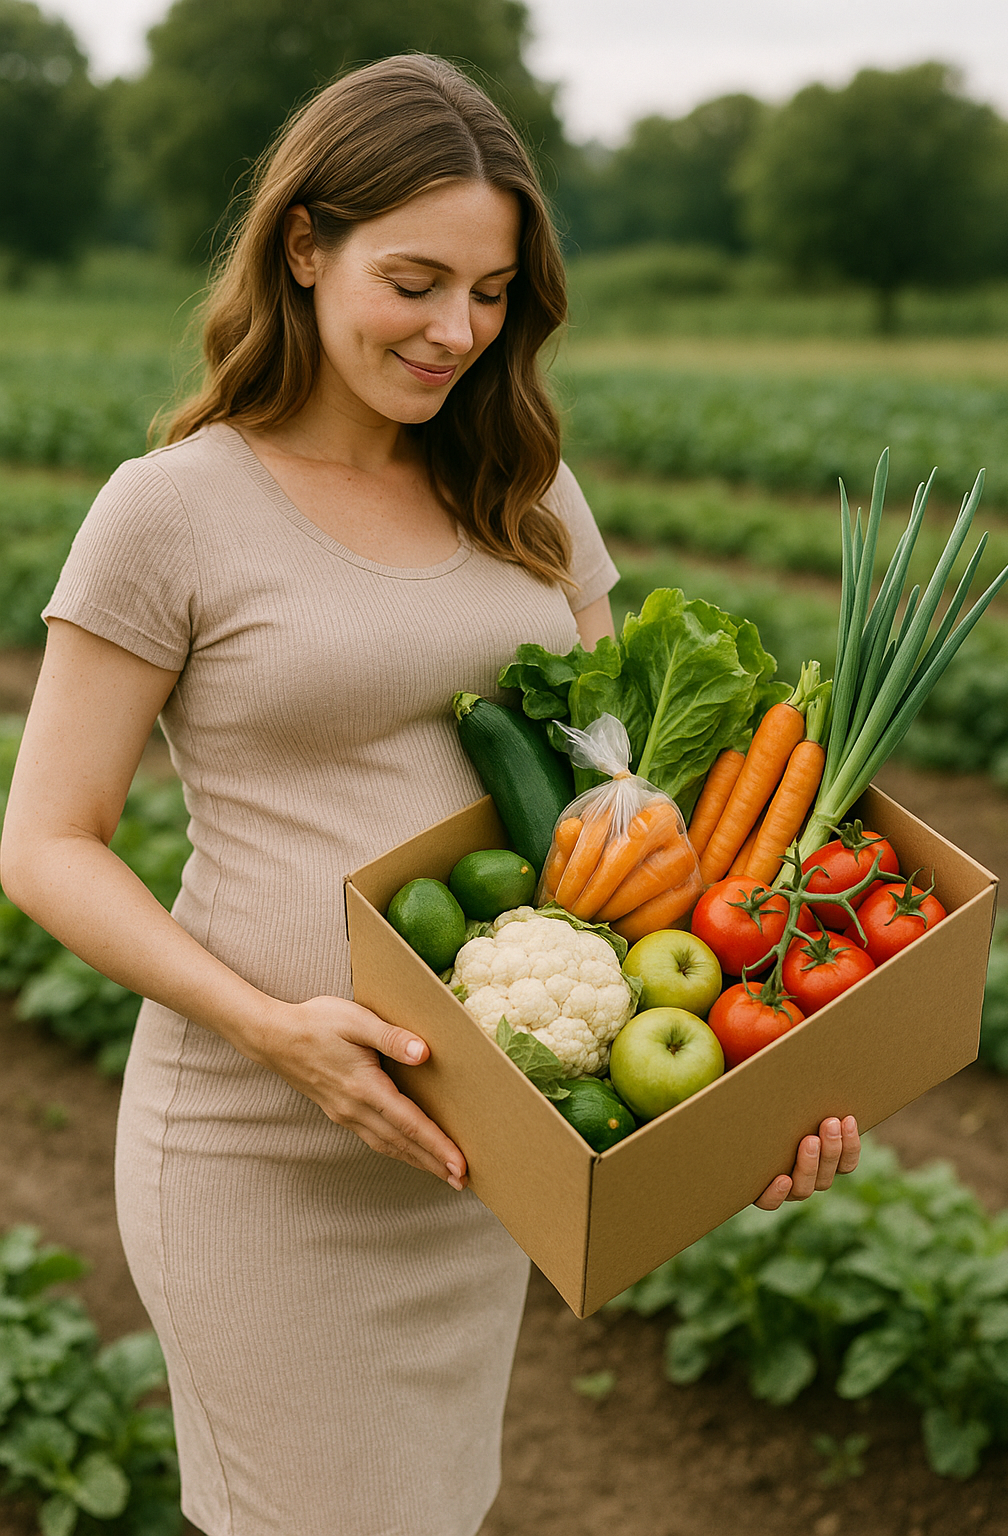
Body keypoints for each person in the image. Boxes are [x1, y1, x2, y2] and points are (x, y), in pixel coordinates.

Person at [0, 54, 859, 1536]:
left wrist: (740, 1106)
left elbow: (627, 805)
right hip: (256, 1144)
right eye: (414, 280)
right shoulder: (175, 508)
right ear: (304, 246)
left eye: (493, 291)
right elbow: (44, 843)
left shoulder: (524, 491)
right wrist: (277, 1033)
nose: (458, 330)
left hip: (478, 1144)